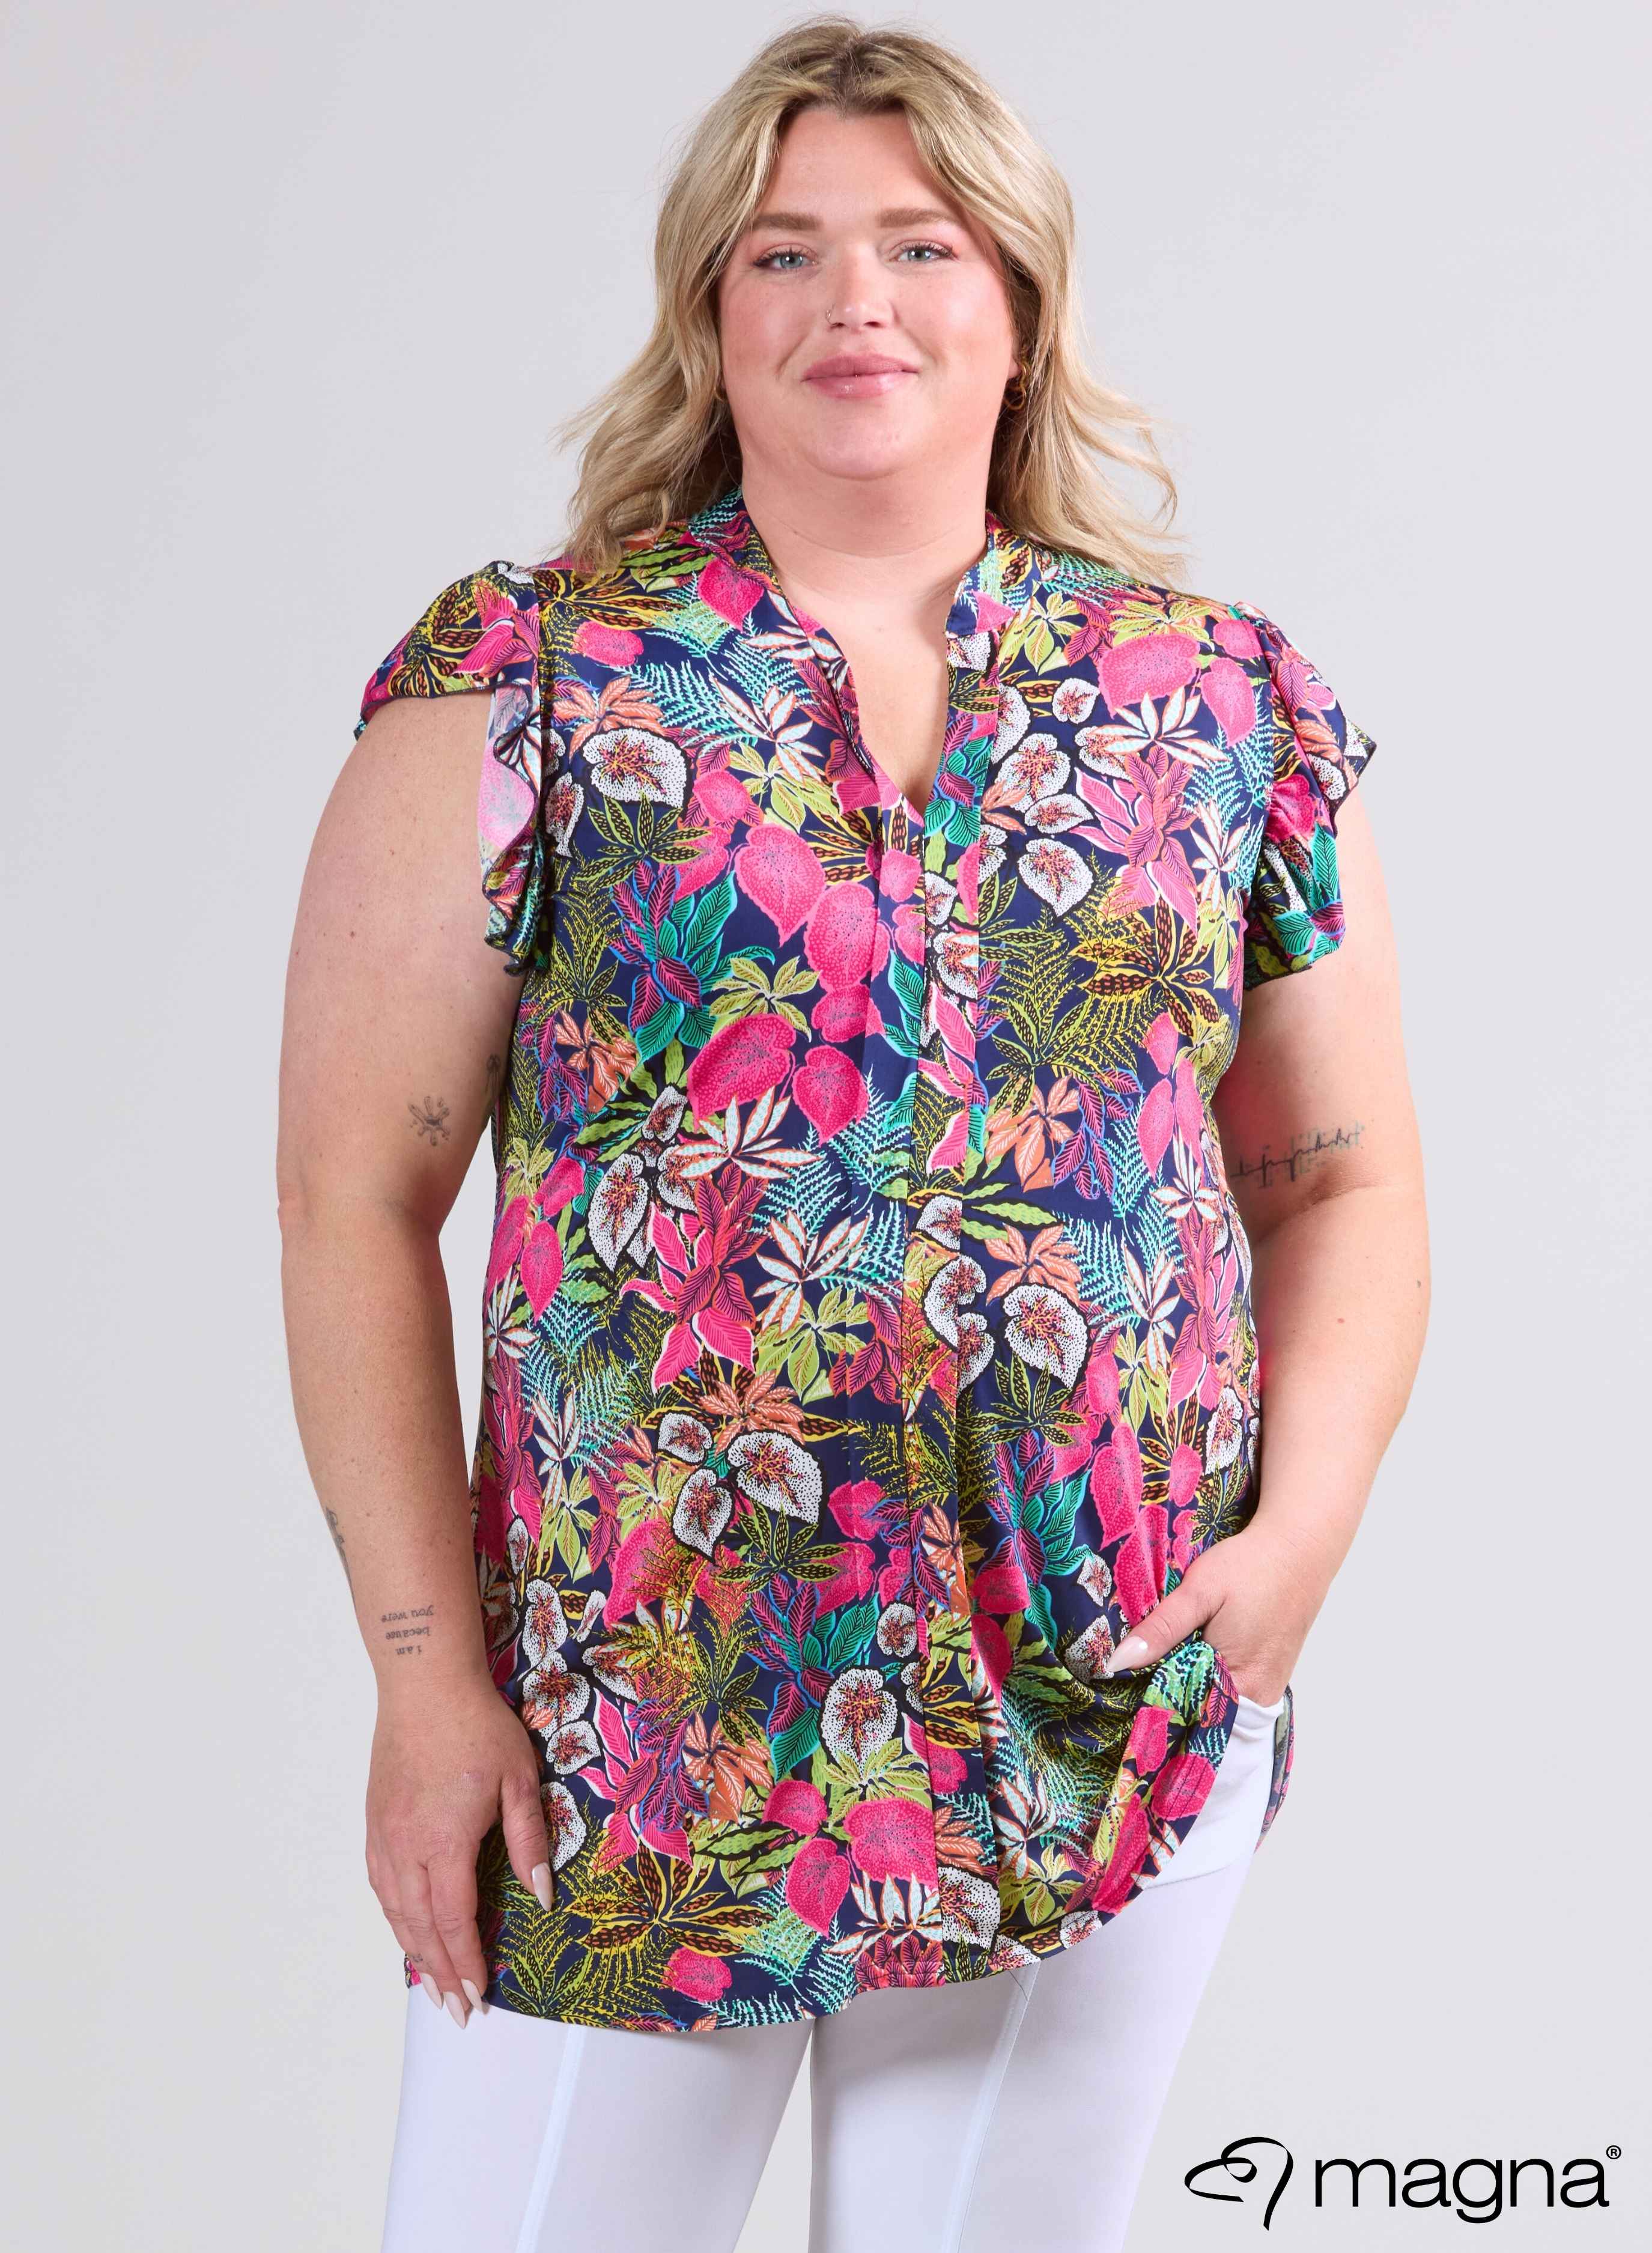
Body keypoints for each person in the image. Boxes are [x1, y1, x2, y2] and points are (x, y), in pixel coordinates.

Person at [276, 16, 1427, 2252]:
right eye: (783, 252)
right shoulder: (530, 678)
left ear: (1022, 301)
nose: (854, 302)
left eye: (920, 244)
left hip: (1097, 1704)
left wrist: (1301, 1541)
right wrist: (424, 1682)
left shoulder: (1220, 704)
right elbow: (354, 1197)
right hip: (632, 1723)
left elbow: (1346, 1178)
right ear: (710, 310)